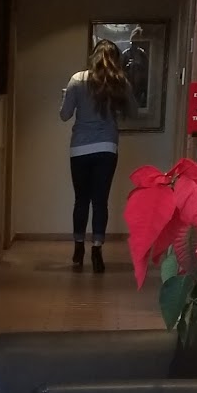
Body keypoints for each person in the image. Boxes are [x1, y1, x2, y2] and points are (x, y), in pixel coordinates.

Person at [59, 39, 130, 272]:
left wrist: (65, 97)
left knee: (81, 199)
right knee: (100, 201)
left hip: (80, 148)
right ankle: (97, 250)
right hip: (107, 147)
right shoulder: (119, 82)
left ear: (93, 56)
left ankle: (78, 248)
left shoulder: (77, 80)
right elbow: (132, 111)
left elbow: (64, 115)